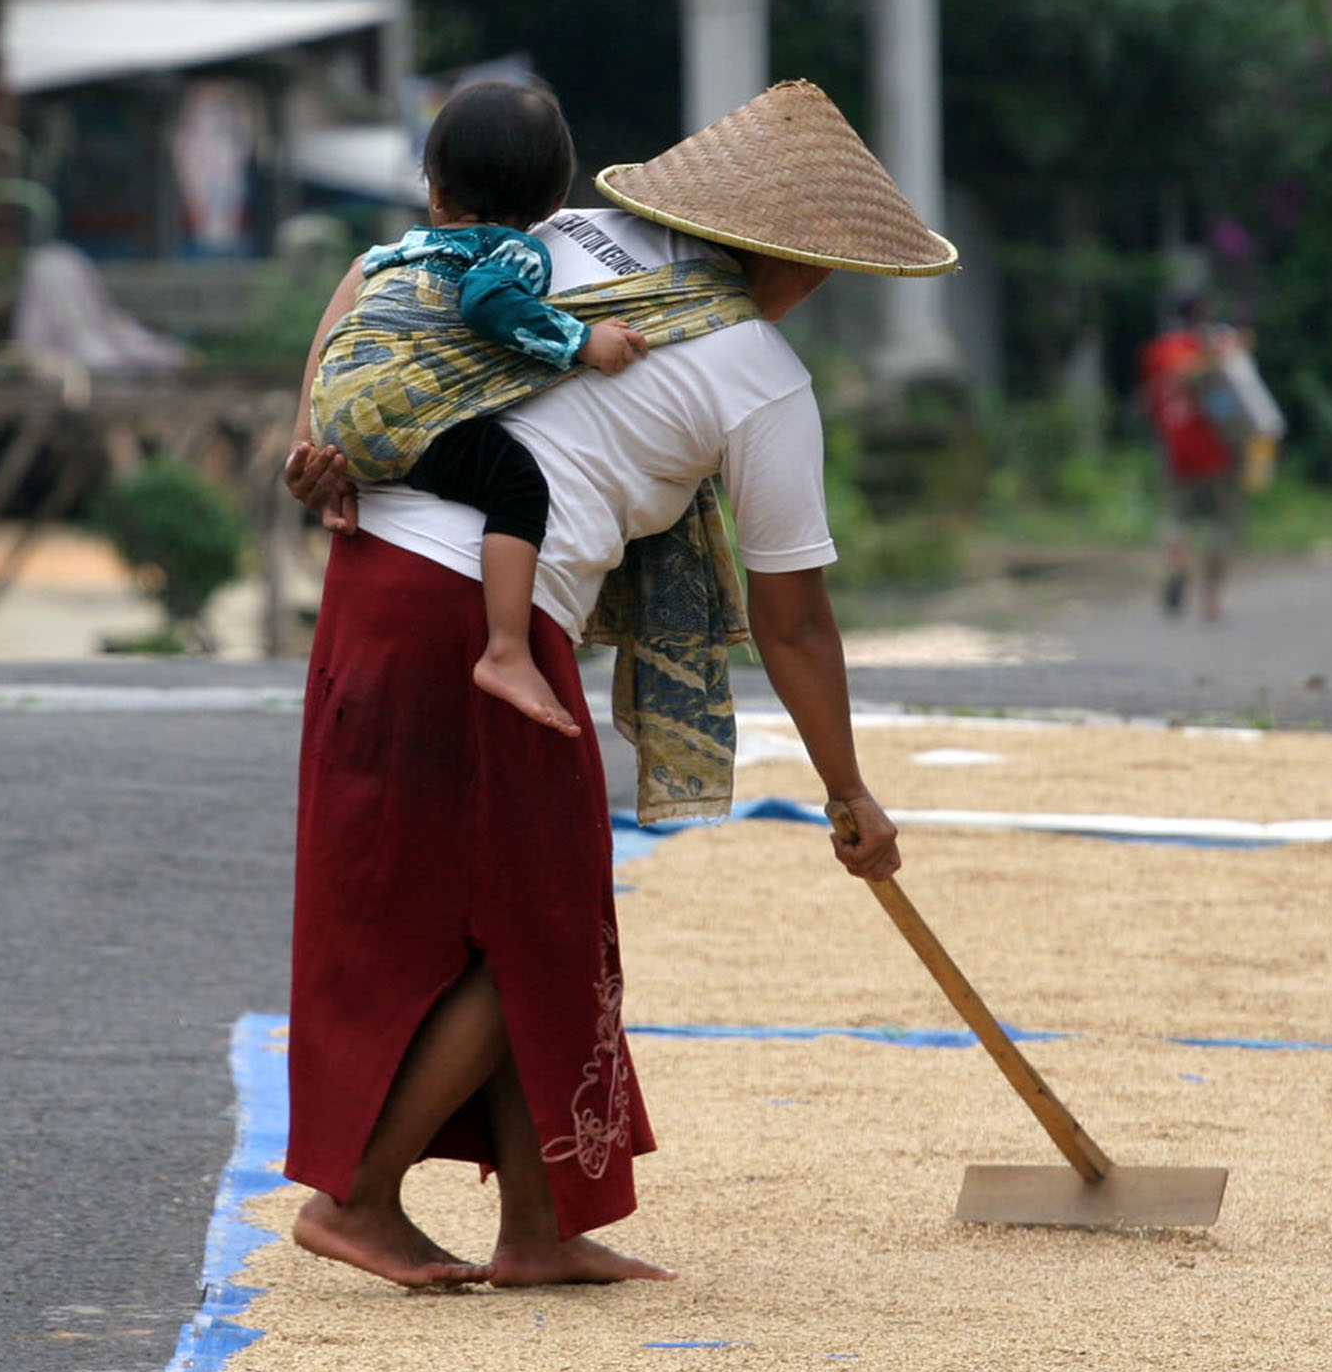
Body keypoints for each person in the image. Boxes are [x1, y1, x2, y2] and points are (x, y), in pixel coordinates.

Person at [279, 79, 957, 1288]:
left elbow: (367, 290)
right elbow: (791, 621)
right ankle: (360, 1197)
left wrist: (315, 435)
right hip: (470, 618)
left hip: (375, 581)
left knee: (542, 910)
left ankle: (539, 1226)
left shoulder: (545, 237)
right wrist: (850, 793)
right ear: (798, 266)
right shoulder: (756, 371)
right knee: (540, 919)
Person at [307, 79, 648, 737]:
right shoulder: (513, 250)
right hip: (399, 420)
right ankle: (506, 650)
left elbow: (333, 338)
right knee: (515, 482)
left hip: (336, 422)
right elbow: (489, 305)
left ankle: (502, 644)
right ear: (552, 204)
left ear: (435, 191)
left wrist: (326, 458)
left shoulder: (396, 252)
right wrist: (583, 342)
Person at [1139, 293, 1250, 623]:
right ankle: (1211, 601)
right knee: (1222, 526)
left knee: (1176, 519)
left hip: (1176, 452)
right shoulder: (1210, 350)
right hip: (1216, 453)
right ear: (1202, 314)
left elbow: (1152, 398)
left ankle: (1179, 563)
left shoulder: (1156, 352)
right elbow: (1228, 399)